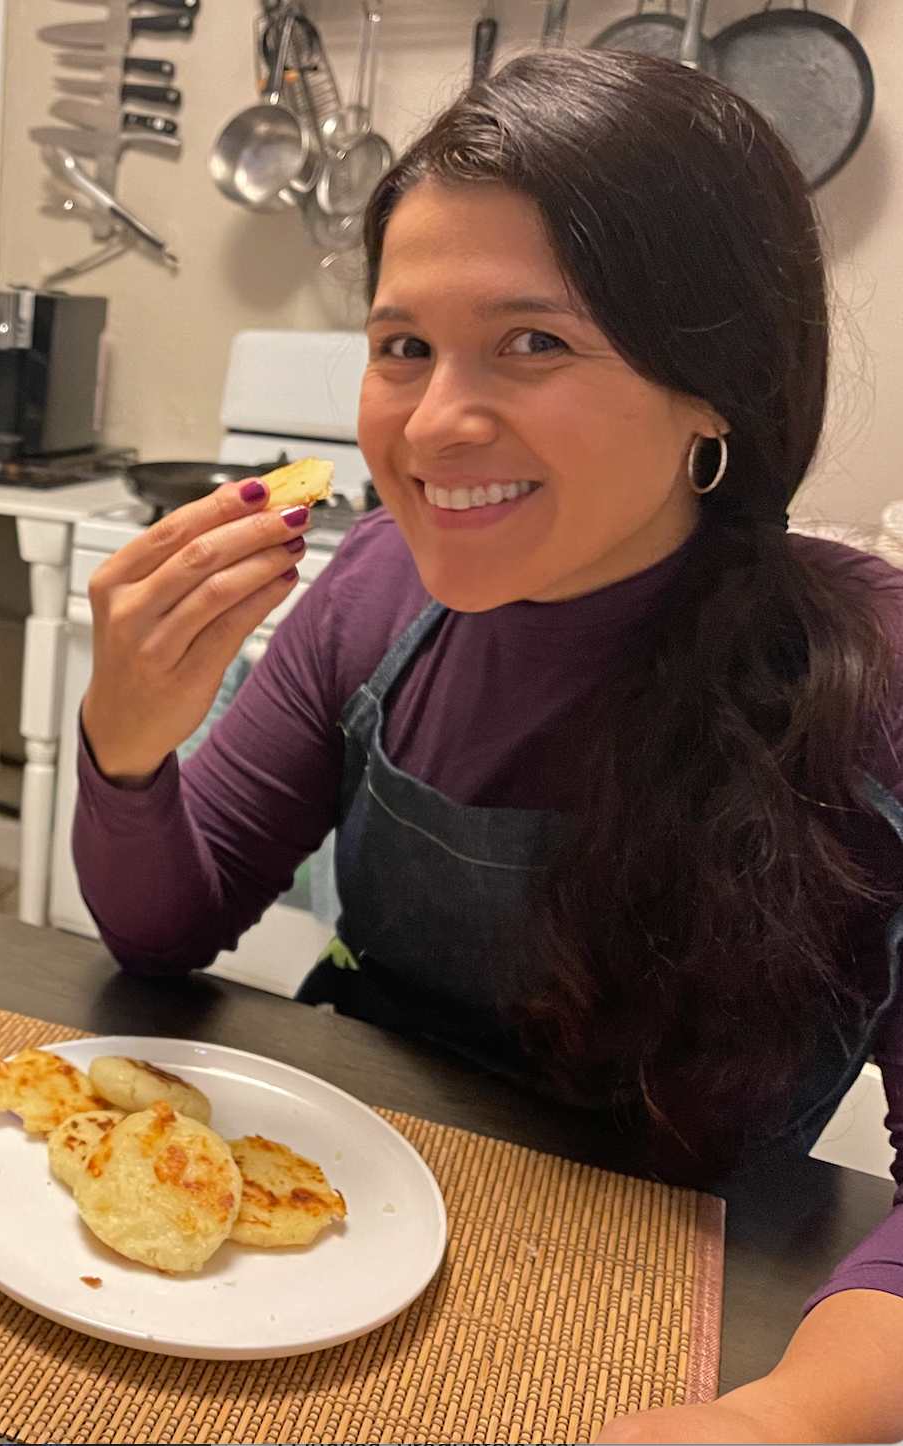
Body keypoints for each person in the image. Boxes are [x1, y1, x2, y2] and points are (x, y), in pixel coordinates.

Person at [74, 49, 903, 1443]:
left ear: (719, 387)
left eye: (535, 341)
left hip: (685, 1310)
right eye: (403, 345)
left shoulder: (869, 680)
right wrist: (129, 745)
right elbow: (167, 924)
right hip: (328, 1255)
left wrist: (791, 1420)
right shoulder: (372, 587)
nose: (436, 423)